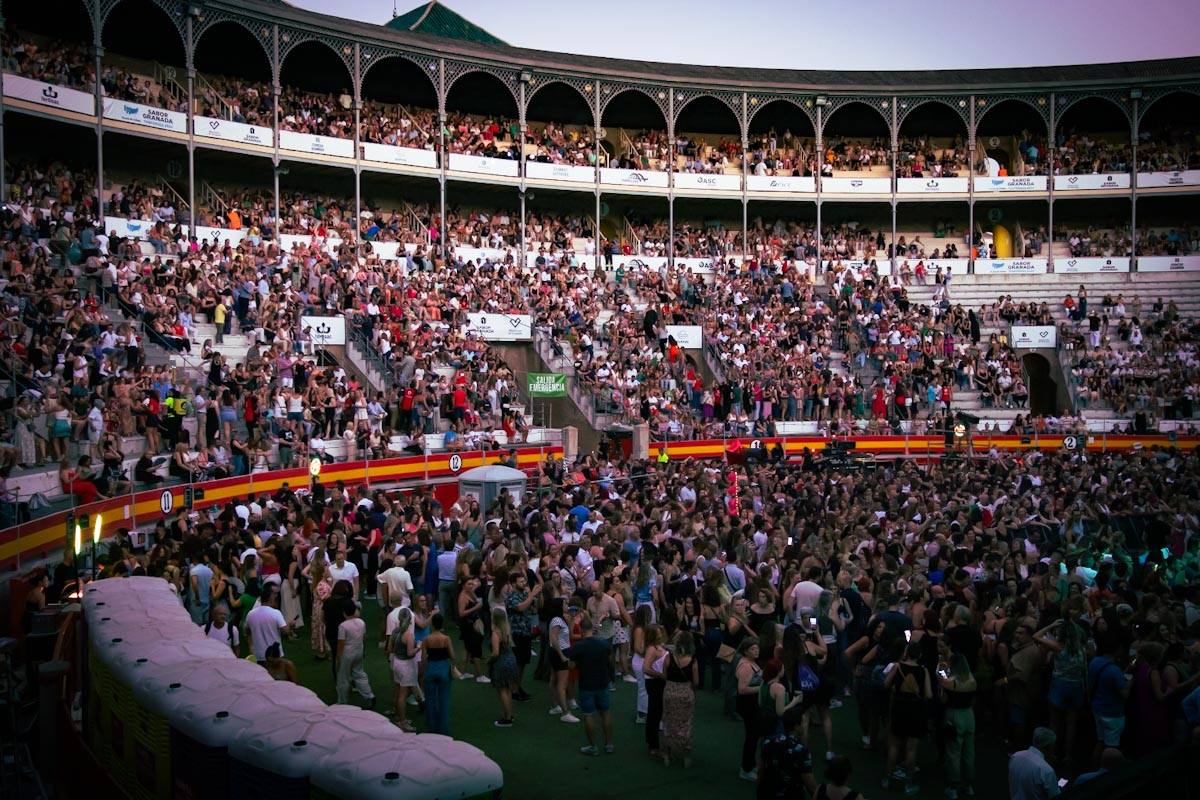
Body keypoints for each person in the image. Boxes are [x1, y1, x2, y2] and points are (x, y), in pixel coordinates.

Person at [883, 640, 931, 795]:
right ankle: (909, 784)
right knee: (911, 749)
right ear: (920, 655)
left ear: (906, 652)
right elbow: (929, 694)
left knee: (894, 746)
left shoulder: (897, 667)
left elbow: (886, 684)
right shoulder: (924, 671)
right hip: (915, 711)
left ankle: (887, 779)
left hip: (899, 708)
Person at [565, 615, 614, 756]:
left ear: (581, 629)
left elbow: (571, 665)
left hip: (586, 685)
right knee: (605, 712)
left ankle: (593, 747)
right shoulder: (603, 644)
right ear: (592, 628)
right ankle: (609, 744)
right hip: (603, 682)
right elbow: (609, 660)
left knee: (588, 715)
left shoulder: (578, 646)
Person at [939, 653, 977, 800]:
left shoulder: (949, 682)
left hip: (954, 716)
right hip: (969, 715)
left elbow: (943, 699)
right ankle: (968, 785)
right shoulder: (972, 680)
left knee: (953, 752)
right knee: (969, 751)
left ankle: (953, 786)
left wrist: (942, 680)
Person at [1087, 636, 1129, 762]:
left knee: (1100, 741)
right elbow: (1124, 694)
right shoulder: (1114, 670)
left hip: (1097, 708)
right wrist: (1130, 683)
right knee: (1111, 748)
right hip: (1112, 714)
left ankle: (1094, 767)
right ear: (1118, 649)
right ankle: (1108, 773)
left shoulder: (1095, 661)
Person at [386, 606, 420, 731]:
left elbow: (389, 649)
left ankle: (398, 717)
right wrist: (419, 647)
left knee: (397, 689)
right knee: (403, 694)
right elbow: (411, 653)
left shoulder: (395, 632)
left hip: (396, 663)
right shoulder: (408, 635)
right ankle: (402, 721)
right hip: (406, 665)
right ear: (410, 620)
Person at [335, 600, 374, 708]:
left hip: (347, 654)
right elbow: (364, 638)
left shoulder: (343, 626)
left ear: (344, 613)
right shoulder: (361, 622)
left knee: (343, 677)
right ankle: (369, 695)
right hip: (359, 651)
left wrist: (338, 658)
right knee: (359, 674)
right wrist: (364, 651)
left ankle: (342, 701)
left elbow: (341, 644)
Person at [735, 637, 763, 782]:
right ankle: (746, 769)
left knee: (754, 736)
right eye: (753, 649)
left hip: (752, 704)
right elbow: (742, 689)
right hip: (748, 705)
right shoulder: (746, 666)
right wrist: (763, 688)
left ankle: (750, 765)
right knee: (751, 737)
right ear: (746, 651)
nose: (756, 650)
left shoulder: (752, 663)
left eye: (757, 648)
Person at [547, 598, 580, 723]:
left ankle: (556, 706)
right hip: (560, 652)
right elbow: (554, 638)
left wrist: (571, 618)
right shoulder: (557, 620)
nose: (568, 605)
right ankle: (565, 712)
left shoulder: (561, 619)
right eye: (565, 603)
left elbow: (567, 634)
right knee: (562, 683)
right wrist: (561, 655)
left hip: (559, 651)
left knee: (555, 680)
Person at [422, 612, 454, 735]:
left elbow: (424, 657)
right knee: (444, 700)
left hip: (430, 668)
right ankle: (443, 730)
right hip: (443, 669)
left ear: (432, 624)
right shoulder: (446, 639)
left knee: (430, 700)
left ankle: (431, 728)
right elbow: (452, 656)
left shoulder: (427, 639)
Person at [1008, 727, 1061, 800]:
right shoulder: (1046, 770)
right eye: (1053, 745)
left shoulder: (1015, 756)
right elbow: (1055, 795)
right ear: (1048, 746)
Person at [489, 607, 520, 728]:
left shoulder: (496, 633)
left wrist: (489, 660)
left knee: (502, 690)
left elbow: (496, 652)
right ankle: (509, 714)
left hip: (501, 663)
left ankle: (507, 718)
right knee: (508, 690)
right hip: (511, 660)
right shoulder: (506, 630)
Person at [245, 583, 290, 662]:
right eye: (274, 596)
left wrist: (250, 647)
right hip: (274, 654)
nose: (275, 598)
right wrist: (289, 625)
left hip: (258, 655)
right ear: (270, 598)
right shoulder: (276, 613)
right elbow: (286, 631)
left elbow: (247, 631)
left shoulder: (250, 614)